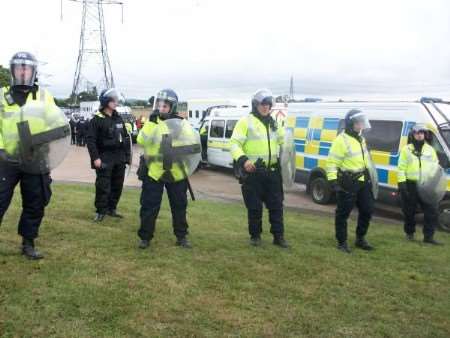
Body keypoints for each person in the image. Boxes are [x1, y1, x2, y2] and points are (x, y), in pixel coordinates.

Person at [0, 52, 69, 259]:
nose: (23, 71)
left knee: (36, 201)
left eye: (27, 68)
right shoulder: (2, 95)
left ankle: (28, 243)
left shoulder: (44, 97)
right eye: (19, 67)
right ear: (13, 71)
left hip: (35, 159)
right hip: (7, 159)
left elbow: (57, 124)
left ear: (33, 71)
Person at [137, 89, 199, 249]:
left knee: (179, 205)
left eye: (165, 105)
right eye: (159, 105)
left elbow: (193, 145)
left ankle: (182, 236)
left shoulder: (181, 124)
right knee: (149, 205)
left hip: (176, 171)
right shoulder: (152, 122)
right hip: (155, 170)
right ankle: (145, 237)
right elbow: (141, 140)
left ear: (172, 107)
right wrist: (150, 124)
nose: (161, 108)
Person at [230, 89, 289, 248]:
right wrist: (244, 161)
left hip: (273, 172)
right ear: (256, 105)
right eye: (263, 104)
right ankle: (255, 236)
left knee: (276, 206)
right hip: (254, 172)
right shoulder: (246, 121)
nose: (266, 107)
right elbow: (234, 144)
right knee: (254, 207)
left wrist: (287, 159)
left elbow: (285, 143)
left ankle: (279, 236)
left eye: (268, 104)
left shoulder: (274, 123)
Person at [327, 109, 375, 253]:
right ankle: (342, 242)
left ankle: (360, 238)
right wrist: (333, 182)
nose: (361, 125)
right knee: (343, 213)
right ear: (351, 123)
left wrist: (370, 176)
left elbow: (366, 160)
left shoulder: (361, 139)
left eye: (362, 122)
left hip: (363, 180)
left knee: (367, 210)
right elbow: (331, 163)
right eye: (359, 122)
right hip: (347, 181)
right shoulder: (341, 140)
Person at [86, 88, 131, 222]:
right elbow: (91, 141)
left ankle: (112, 208)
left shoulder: (118, 118)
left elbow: (126, 139)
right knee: (103, 186)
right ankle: (101, 211)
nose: (116, 102)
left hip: (119, 157)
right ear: (106, 102)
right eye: (113, 100)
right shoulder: (96, 120)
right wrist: (95, 158)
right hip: (104, 157)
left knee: (118, 185)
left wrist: (127, 157)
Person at [398, 124, 443, 245]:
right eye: (417, 133)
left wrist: (433, 181)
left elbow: (435, 166)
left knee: (431, 210)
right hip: (410, 184)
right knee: (409, 211)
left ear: (425, 135)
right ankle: (409, 233)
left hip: (426, 185)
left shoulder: (430, 149)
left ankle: (428, 237)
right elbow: (401, 168)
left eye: (422, 133)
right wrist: (402, 184)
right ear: (413, 134)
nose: (420, 135)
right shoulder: (406, 149)